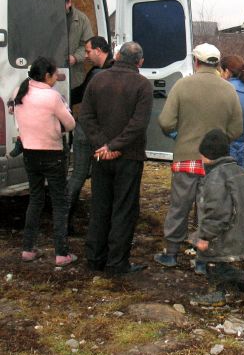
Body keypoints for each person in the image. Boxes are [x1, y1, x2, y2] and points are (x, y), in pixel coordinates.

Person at [154, 43, 243, 267]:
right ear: (217, 63)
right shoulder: (228, 89)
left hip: (186, 157)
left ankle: (172, 253)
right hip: (215, 163)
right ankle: (204, 259)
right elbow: (237, 129)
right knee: (209, 209)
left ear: (196, 61)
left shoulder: (182, 86)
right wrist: (218, 144)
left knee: (179, 206)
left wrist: (178, 135)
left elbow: (165, 122)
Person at [79, 42, 153, 276]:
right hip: (129, 157)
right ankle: (117, 262)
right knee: (124, 208)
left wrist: (103, 145)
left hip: (101, 155)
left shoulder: (97, 80)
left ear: (118, 55)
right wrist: (113, 146)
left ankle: (95, 258)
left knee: (100, 206)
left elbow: (85, 116)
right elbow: (138, 124)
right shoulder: (142, 85)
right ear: (140, 62)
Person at [191, 129, 244, 312]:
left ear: (206, 155)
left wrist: (204, 236)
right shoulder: (241, 172)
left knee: (212, 258)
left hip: (237, 232)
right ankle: (221, 292)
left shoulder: (215, 178)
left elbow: (217, 214)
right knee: (216, 259)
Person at [14, 57, 77, 266]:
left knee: (35, 199)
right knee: (59, 202)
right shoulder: (52, 97)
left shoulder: (19, 93)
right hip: (52, 155)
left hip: (30, 154)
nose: (56, 79)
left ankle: (28, 249)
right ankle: (61, 253)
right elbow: (70, 124)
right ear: (47, 76)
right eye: (54, 75)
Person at [66, 36, 114, 228]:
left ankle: (64, 221)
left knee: (78, 175)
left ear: (99, 50)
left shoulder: (98, 74)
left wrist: (61, 97)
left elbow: (80, 95)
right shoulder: (109, 71)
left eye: (88, 51)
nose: (86, 56)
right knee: (97, 178)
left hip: (86, 131)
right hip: (101, 133)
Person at [65, 0, 93, 91]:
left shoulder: (82, 19)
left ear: (69, 2)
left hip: (73, 74)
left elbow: (88, 45)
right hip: (50, 73)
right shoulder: (49, 18)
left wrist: (75, 57)